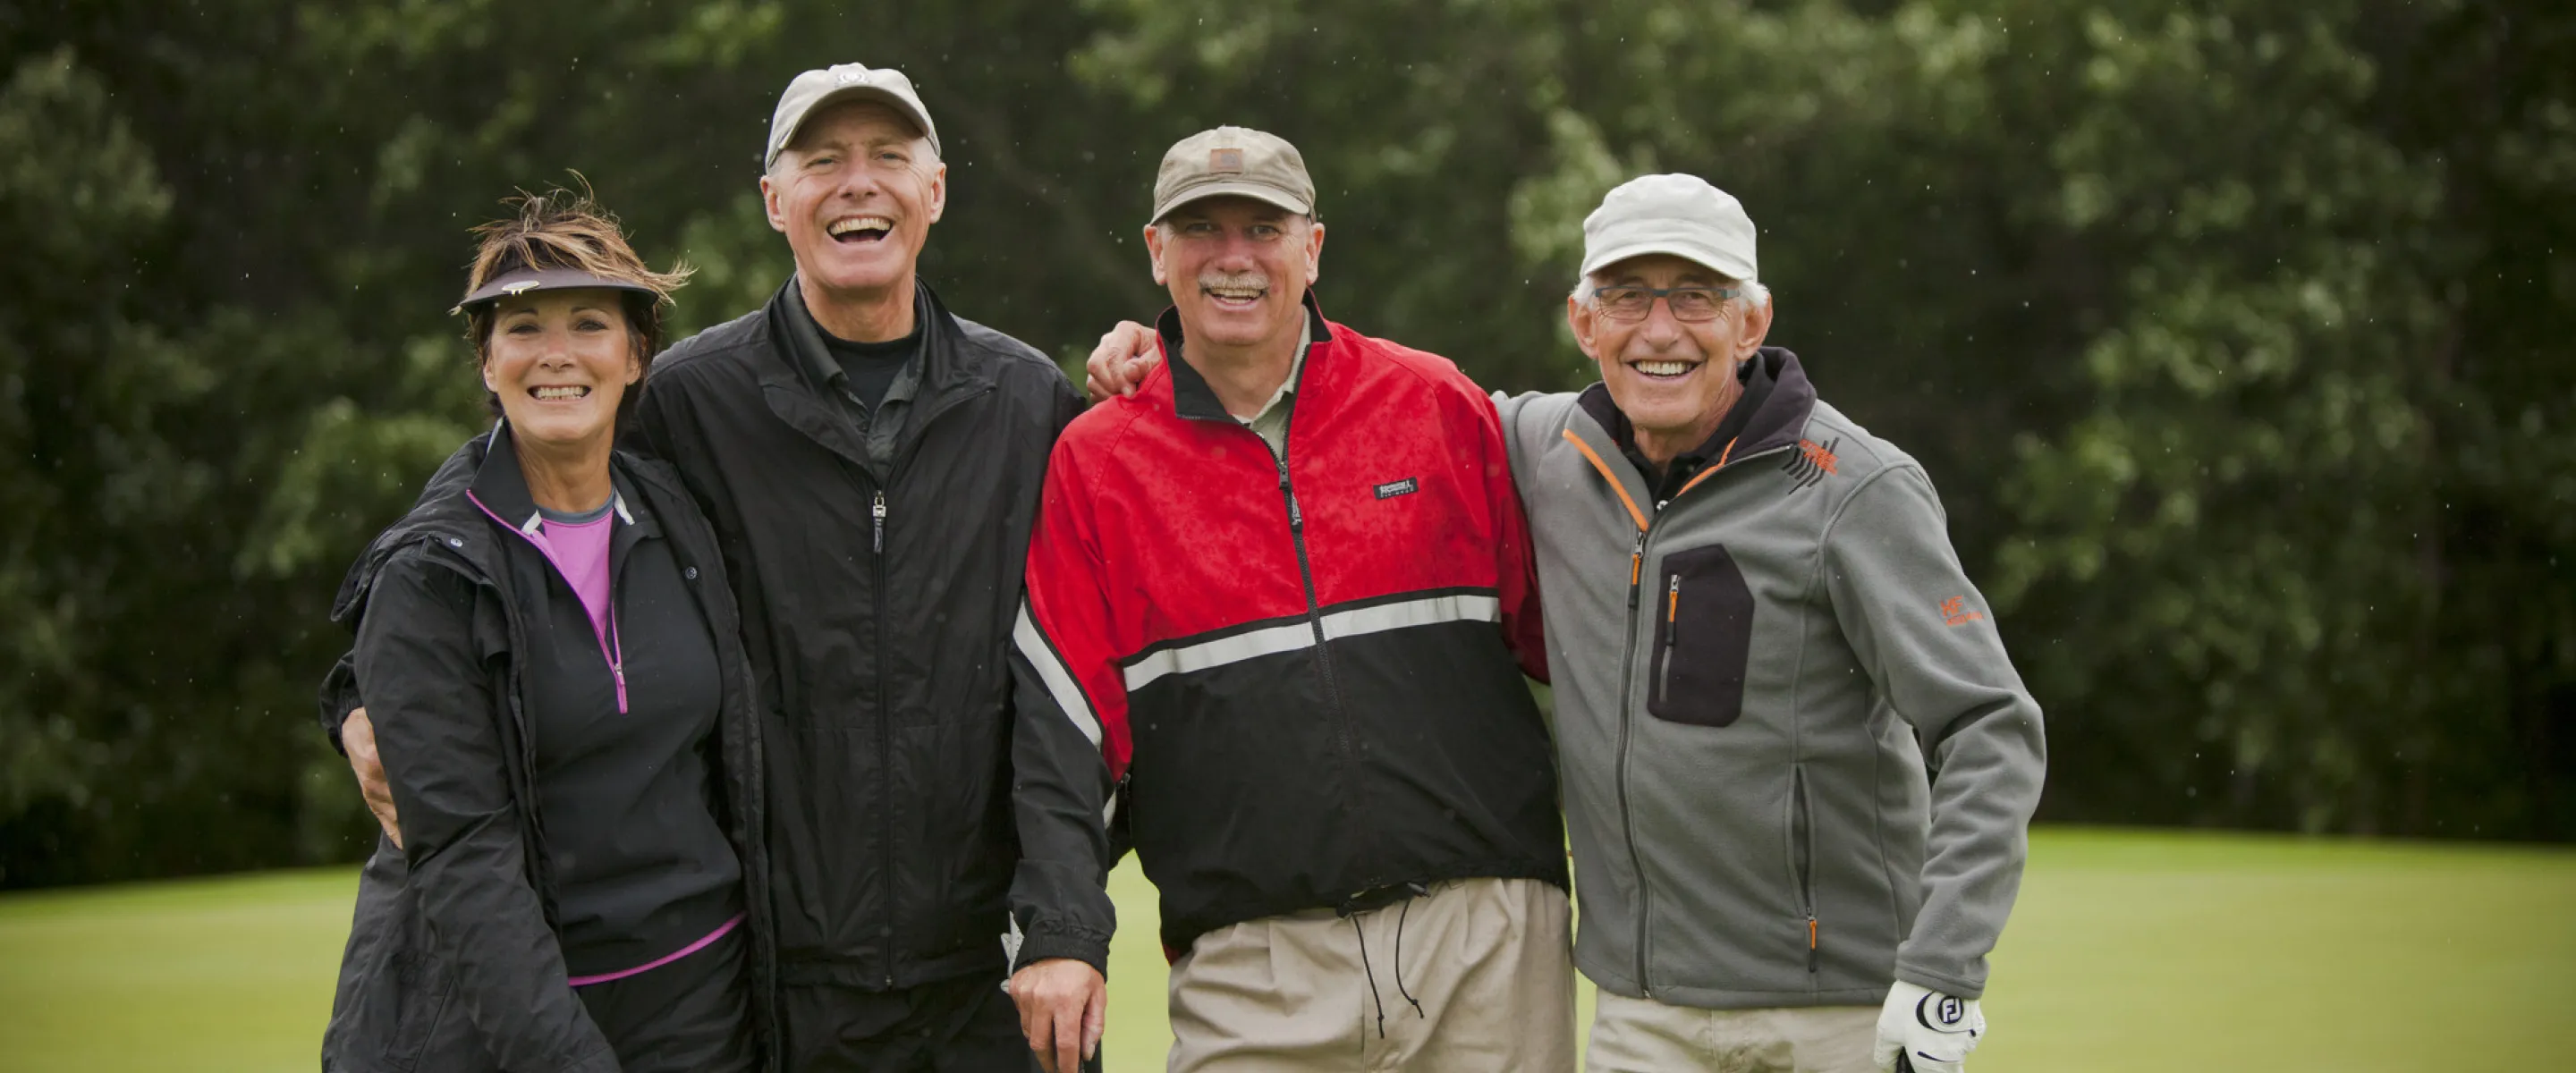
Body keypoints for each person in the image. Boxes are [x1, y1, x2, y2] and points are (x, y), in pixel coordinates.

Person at [1084, 173, 2048, 1073]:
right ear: (1584, 321)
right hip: (1639, 1012)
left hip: (1838, 1005)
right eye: (1629, 297)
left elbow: (1988, 728)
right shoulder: (1540, 448)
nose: (1659, 329)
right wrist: (1183, 348)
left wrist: (1942, 973)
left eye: (1697, 297)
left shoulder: (1855, 488)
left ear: (1752, 320)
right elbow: (1348, 397)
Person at [327, 63, 1082, 1070]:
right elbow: (506, 488)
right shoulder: (687, 404)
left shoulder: (1028, 401)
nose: (858, 182)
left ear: (935, 190)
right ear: (775, 201)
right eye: (823, 162)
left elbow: (1087, 655)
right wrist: (353, 693)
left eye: (889, 158)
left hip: (983, 984)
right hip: (785, 987)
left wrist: (1157, 368)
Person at [1006, 126, 1574, 1073]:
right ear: (1156, 251)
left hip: (1487, 942)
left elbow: (1577, 644)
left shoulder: (1432, 403)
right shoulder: (1098, 460)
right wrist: (1064, 930)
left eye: (1263, 228)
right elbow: (1065, 730)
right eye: (1201, 229)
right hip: (1249, 965)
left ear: (1312, 248)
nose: (1234, 257)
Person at [320, 188, 768, 1072]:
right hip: (500, 1027)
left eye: (589, 323)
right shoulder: (428, 573)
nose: (556, 355)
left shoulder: (680, 515)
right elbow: (465, 863)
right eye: (522, 328)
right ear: (487, 364)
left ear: (637, 356)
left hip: (702, 1013)